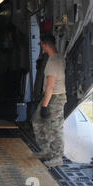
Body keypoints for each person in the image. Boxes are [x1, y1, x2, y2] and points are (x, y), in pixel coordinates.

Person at [31, 33, 67, 168]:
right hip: (52, 96)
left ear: (45, 45)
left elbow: (50, 86)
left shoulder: (53, 62)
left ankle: (57, 157)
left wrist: (45, 106)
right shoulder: (58, 57)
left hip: (54, 98)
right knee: (37, 120)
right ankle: (46, 150)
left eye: (41, 44)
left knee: (55, 128)